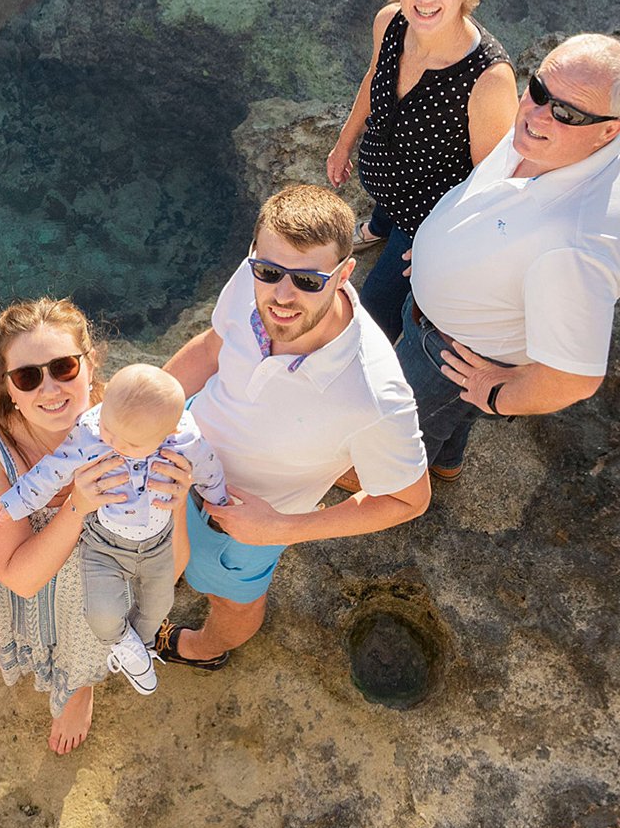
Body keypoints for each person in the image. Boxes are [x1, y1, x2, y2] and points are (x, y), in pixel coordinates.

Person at [154, 184, 433, 670]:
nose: (282, 296)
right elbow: (210, 349)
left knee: (232, 603)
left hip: (240, 527)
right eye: (269, 271)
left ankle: (206, 648)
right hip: (175, 468)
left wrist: (282, 528)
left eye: (308, 280)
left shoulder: (373, 393)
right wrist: (146, 414)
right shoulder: (251, 279)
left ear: (345, 273)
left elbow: (410, 499)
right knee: (158, 559)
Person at [399, 33, 620, 481]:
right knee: (447, 419)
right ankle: (445, 462)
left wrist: (497, 395)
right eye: (538, 90)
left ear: (611, 129)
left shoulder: (575, 244)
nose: (537, 115)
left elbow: (575, 378)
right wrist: (439, 249)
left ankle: (392, 480)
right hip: (451, 327)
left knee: (402, 431)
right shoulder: (576, 140)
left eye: (566, 112)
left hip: (453, 354)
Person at [0, 298, 196, 754]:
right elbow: (19, 577)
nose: (49, 389)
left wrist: (174, 503)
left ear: (89, 365)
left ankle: (80, 687)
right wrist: (77, 506)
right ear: (7, 387)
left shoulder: (133, 424)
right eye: (28, 376)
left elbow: (172, 565)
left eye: (63, 367)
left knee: (92, 634)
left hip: (96, 586)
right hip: (29, 577)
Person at [324, 0, 518, 342]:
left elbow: (491, 185)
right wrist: (344, 142)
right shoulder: (390, 22)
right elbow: (375, 78)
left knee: (375, 305)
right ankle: (378, 227)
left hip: (428, 215)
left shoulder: (488, 78)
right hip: (389, 180)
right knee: (385, 210)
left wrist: (443, 245)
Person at [0, 364, 229, 696]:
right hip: (105, 541)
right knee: (102, 614)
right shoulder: (91, 431)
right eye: (108, 425)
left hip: (158, 541)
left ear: (168, 433)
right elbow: (50, 472)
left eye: (128, 442)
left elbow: (209, 469)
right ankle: (120, 641)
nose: (110, 440)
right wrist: (10, 505)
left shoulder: (185, 439)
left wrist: (219, 502)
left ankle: (141, 647)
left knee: (159, 605)